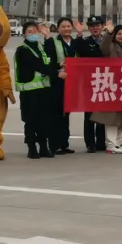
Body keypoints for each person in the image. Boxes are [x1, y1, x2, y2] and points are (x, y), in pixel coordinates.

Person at [14, 21, 65, 159]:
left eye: (35, 31)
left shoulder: (41, 48)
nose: (33, 34)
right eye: (29, 31)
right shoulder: (23, 50)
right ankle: (32, 148)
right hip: (29, 92)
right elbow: (38, 66)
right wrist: (56, 74)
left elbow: (50, 60)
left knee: (44, 120)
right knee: (31, 120)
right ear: (24, 34)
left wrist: (47, 37)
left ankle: (43, 147)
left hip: (43, 91)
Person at [96, 23, 122, 153]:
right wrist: (109, 33)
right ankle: (110, 144)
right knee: (112, 116)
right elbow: (103, 47)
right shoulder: (111, 46)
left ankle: (117, 142)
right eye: (119, 34)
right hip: (113, 85)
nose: (121, 36)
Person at [71, 15, 107, 152]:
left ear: (102, 26)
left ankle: (101, 142)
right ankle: (90, 143)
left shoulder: (107, 41)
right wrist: (79, 34)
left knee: (102, 113)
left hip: (104, 82)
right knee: (89, 115)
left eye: (97, 25)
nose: (95, 28)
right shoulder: (85, 42)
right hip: (89, 83)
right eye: (92, 26)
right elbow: (75, 49)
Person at [44, 17, 77, 154]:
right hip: (57, 82)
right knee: (55, 114)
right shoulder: (52, 42)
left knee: (66, 114)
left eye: (68, 26)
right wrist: (57, 72)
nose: (66, 29)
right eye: (63, 26)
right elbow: (47, 62)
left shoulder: (75, 42)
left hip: (71, 83)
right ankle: (54, 144)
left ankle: (64, 143)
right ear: (58, 29)